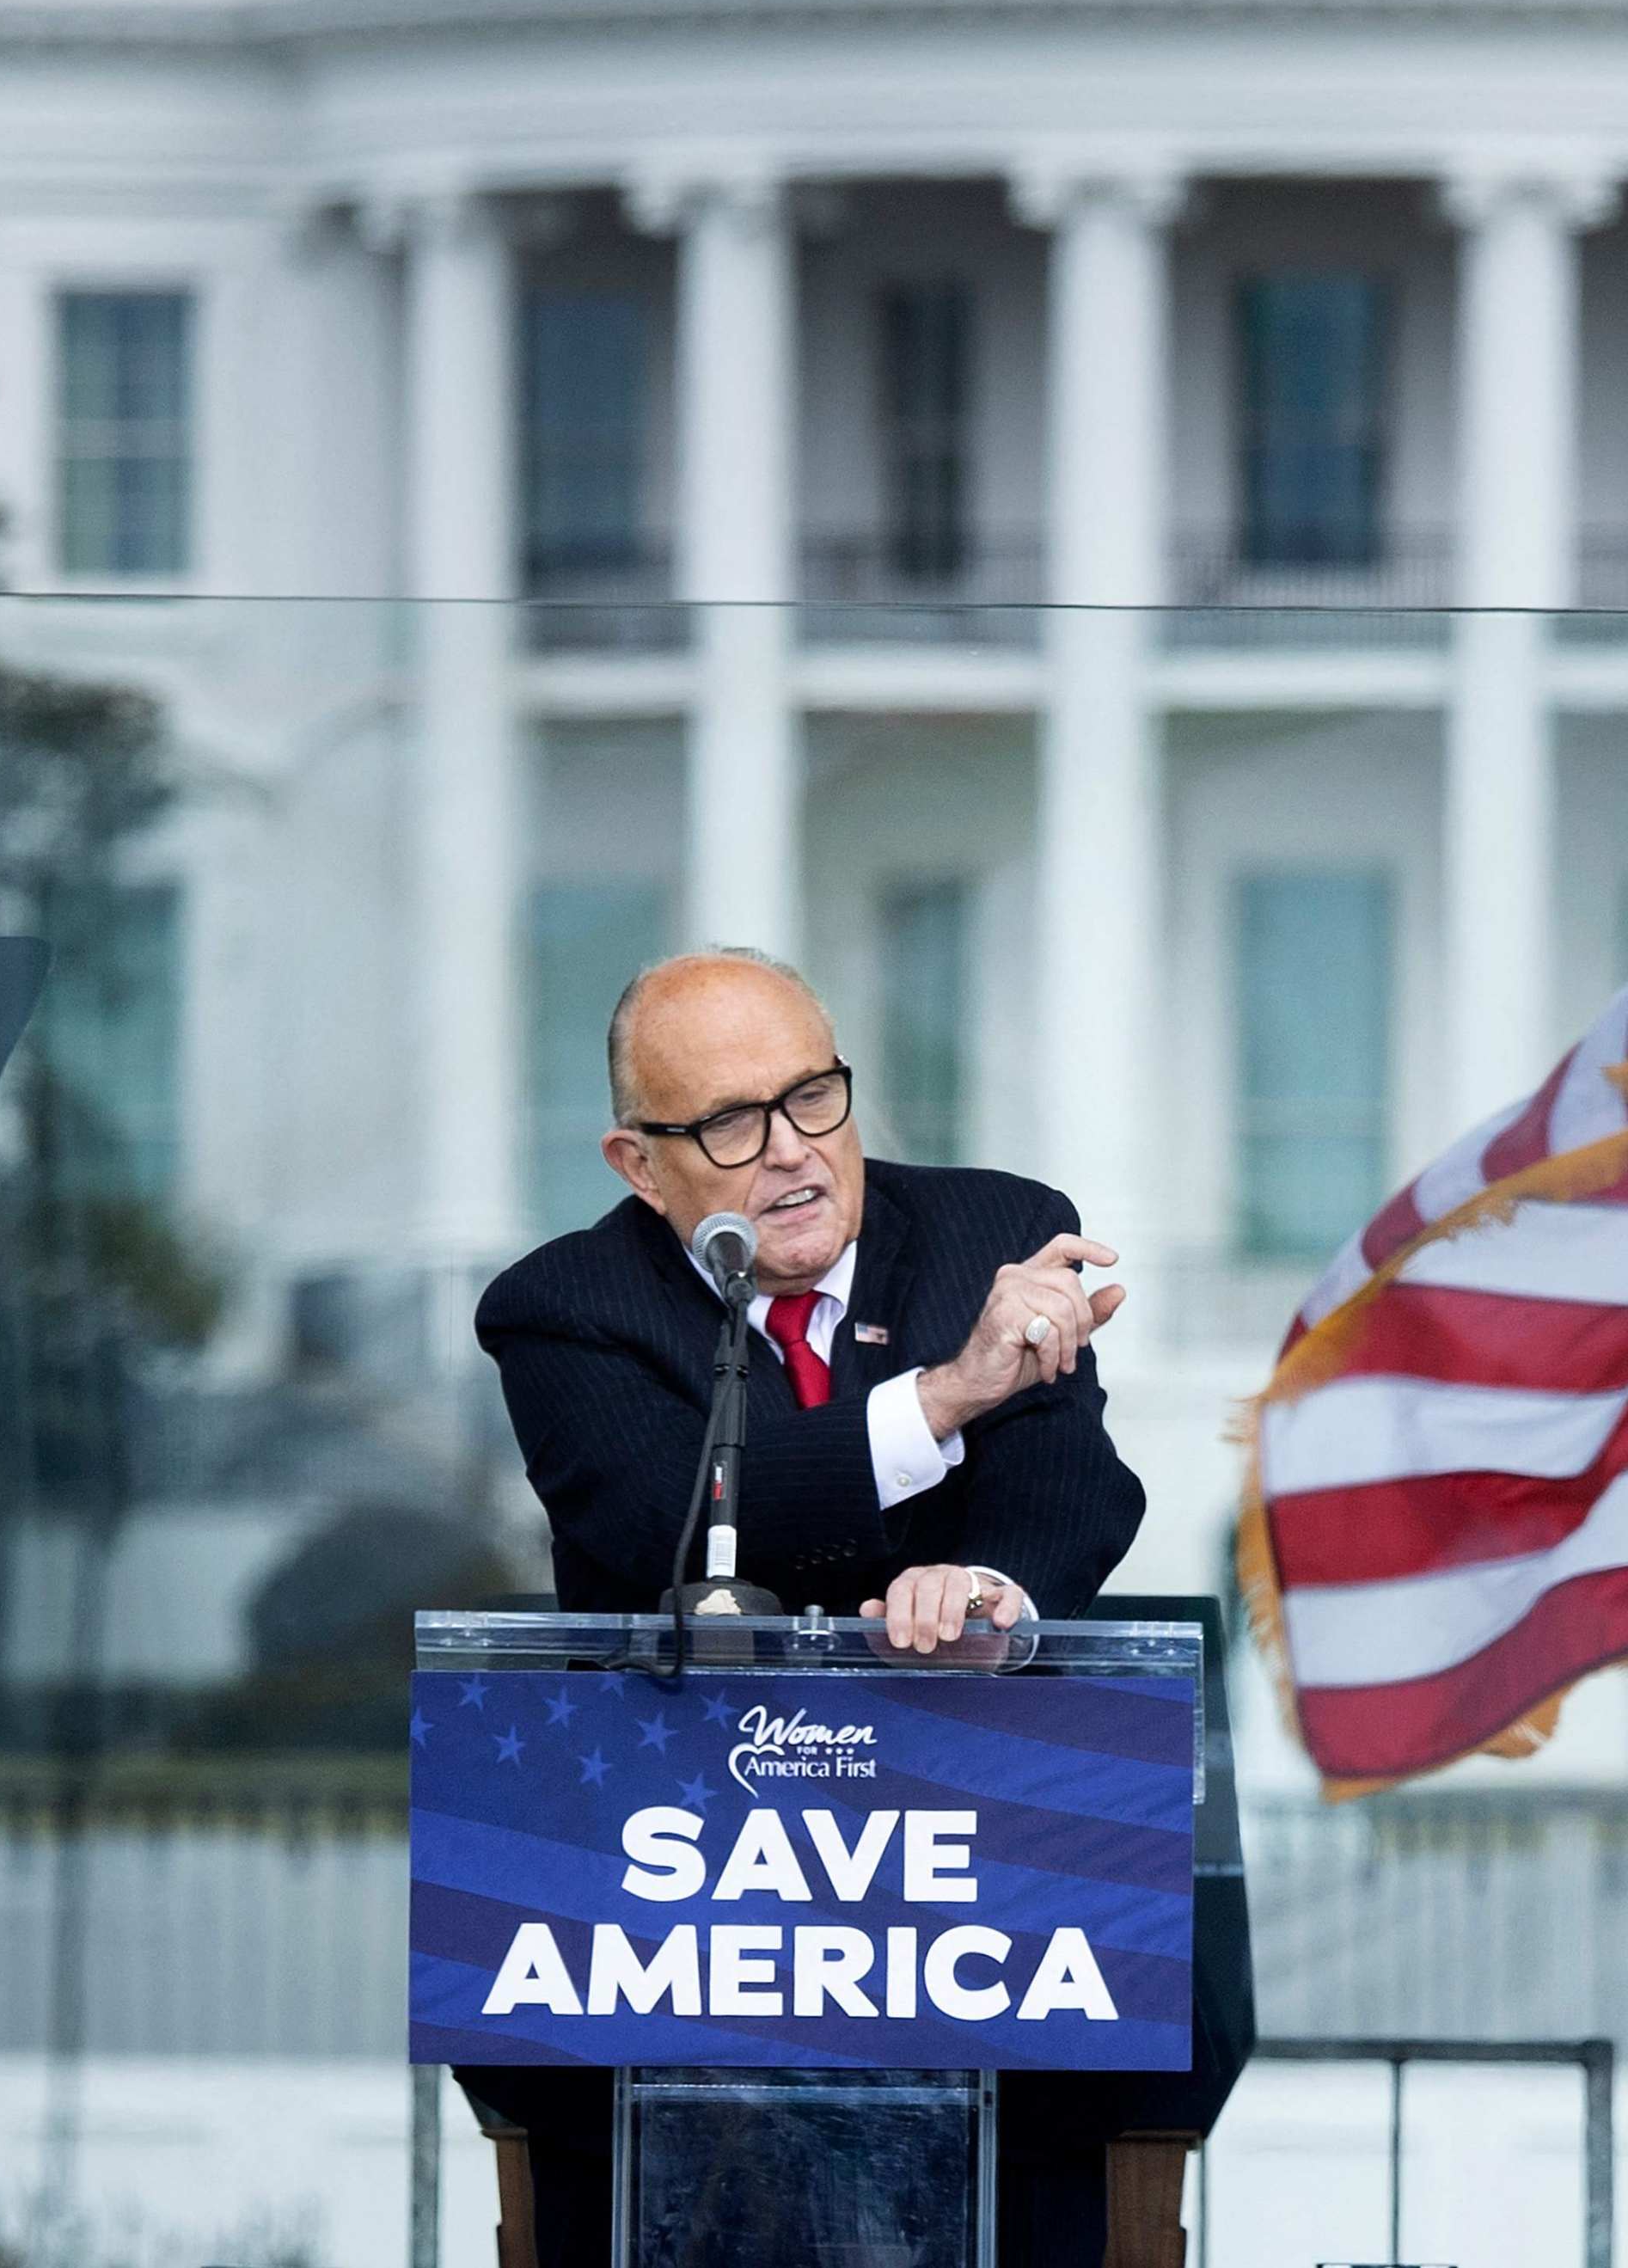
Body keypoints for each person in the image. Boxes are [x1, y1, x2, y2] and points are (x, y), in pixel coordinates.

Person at [461, 947, 1148, 2267]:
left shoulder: (989, 1234)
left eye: (814, 1095)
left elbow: (1071, 1484)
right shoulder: (564, 1308)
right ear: (638, 1164)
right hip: (669, 1946)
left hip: (978, 1917)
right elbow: (661, 1515)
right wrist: (947, 1397)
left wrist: (992, 1596)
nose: (793, 1152)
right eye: (728, 1122)